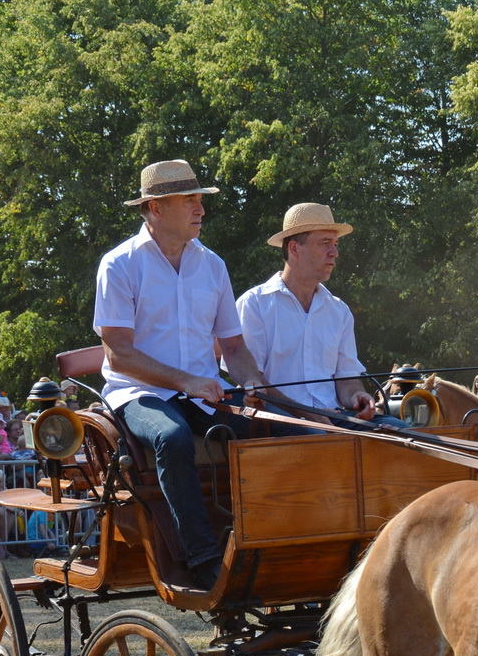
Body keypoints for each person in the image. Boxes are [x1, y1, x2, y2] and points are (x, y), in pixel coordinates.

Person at [95, 160, 267, 593]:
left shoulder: (212, 265)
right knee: (170, 438)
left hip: (201, 394)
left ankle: (260, 544)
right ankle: (204, 559)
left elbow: (234, 348)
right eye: (189, 200)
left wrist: (254, 385)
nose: (200, 208)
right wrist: (186, 381)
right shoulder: (119, 264)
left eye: (200, 199)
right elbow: (118, 354)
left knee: (261, 433)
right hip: (138, 394)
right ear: (155, 206)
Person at [237, 202, 401, 434]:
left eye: (335, 244)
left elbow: (346, 378)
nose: (335, 252)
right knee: (316, 437)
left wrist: (358, 396)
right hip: (277, 420)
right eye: (325, 243)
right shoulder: (254, 304)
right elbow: (255, 381)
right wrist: (306, 414)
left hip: (332, 417)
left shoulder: (339, 311)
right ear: (294, 249)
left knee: (402, 432)